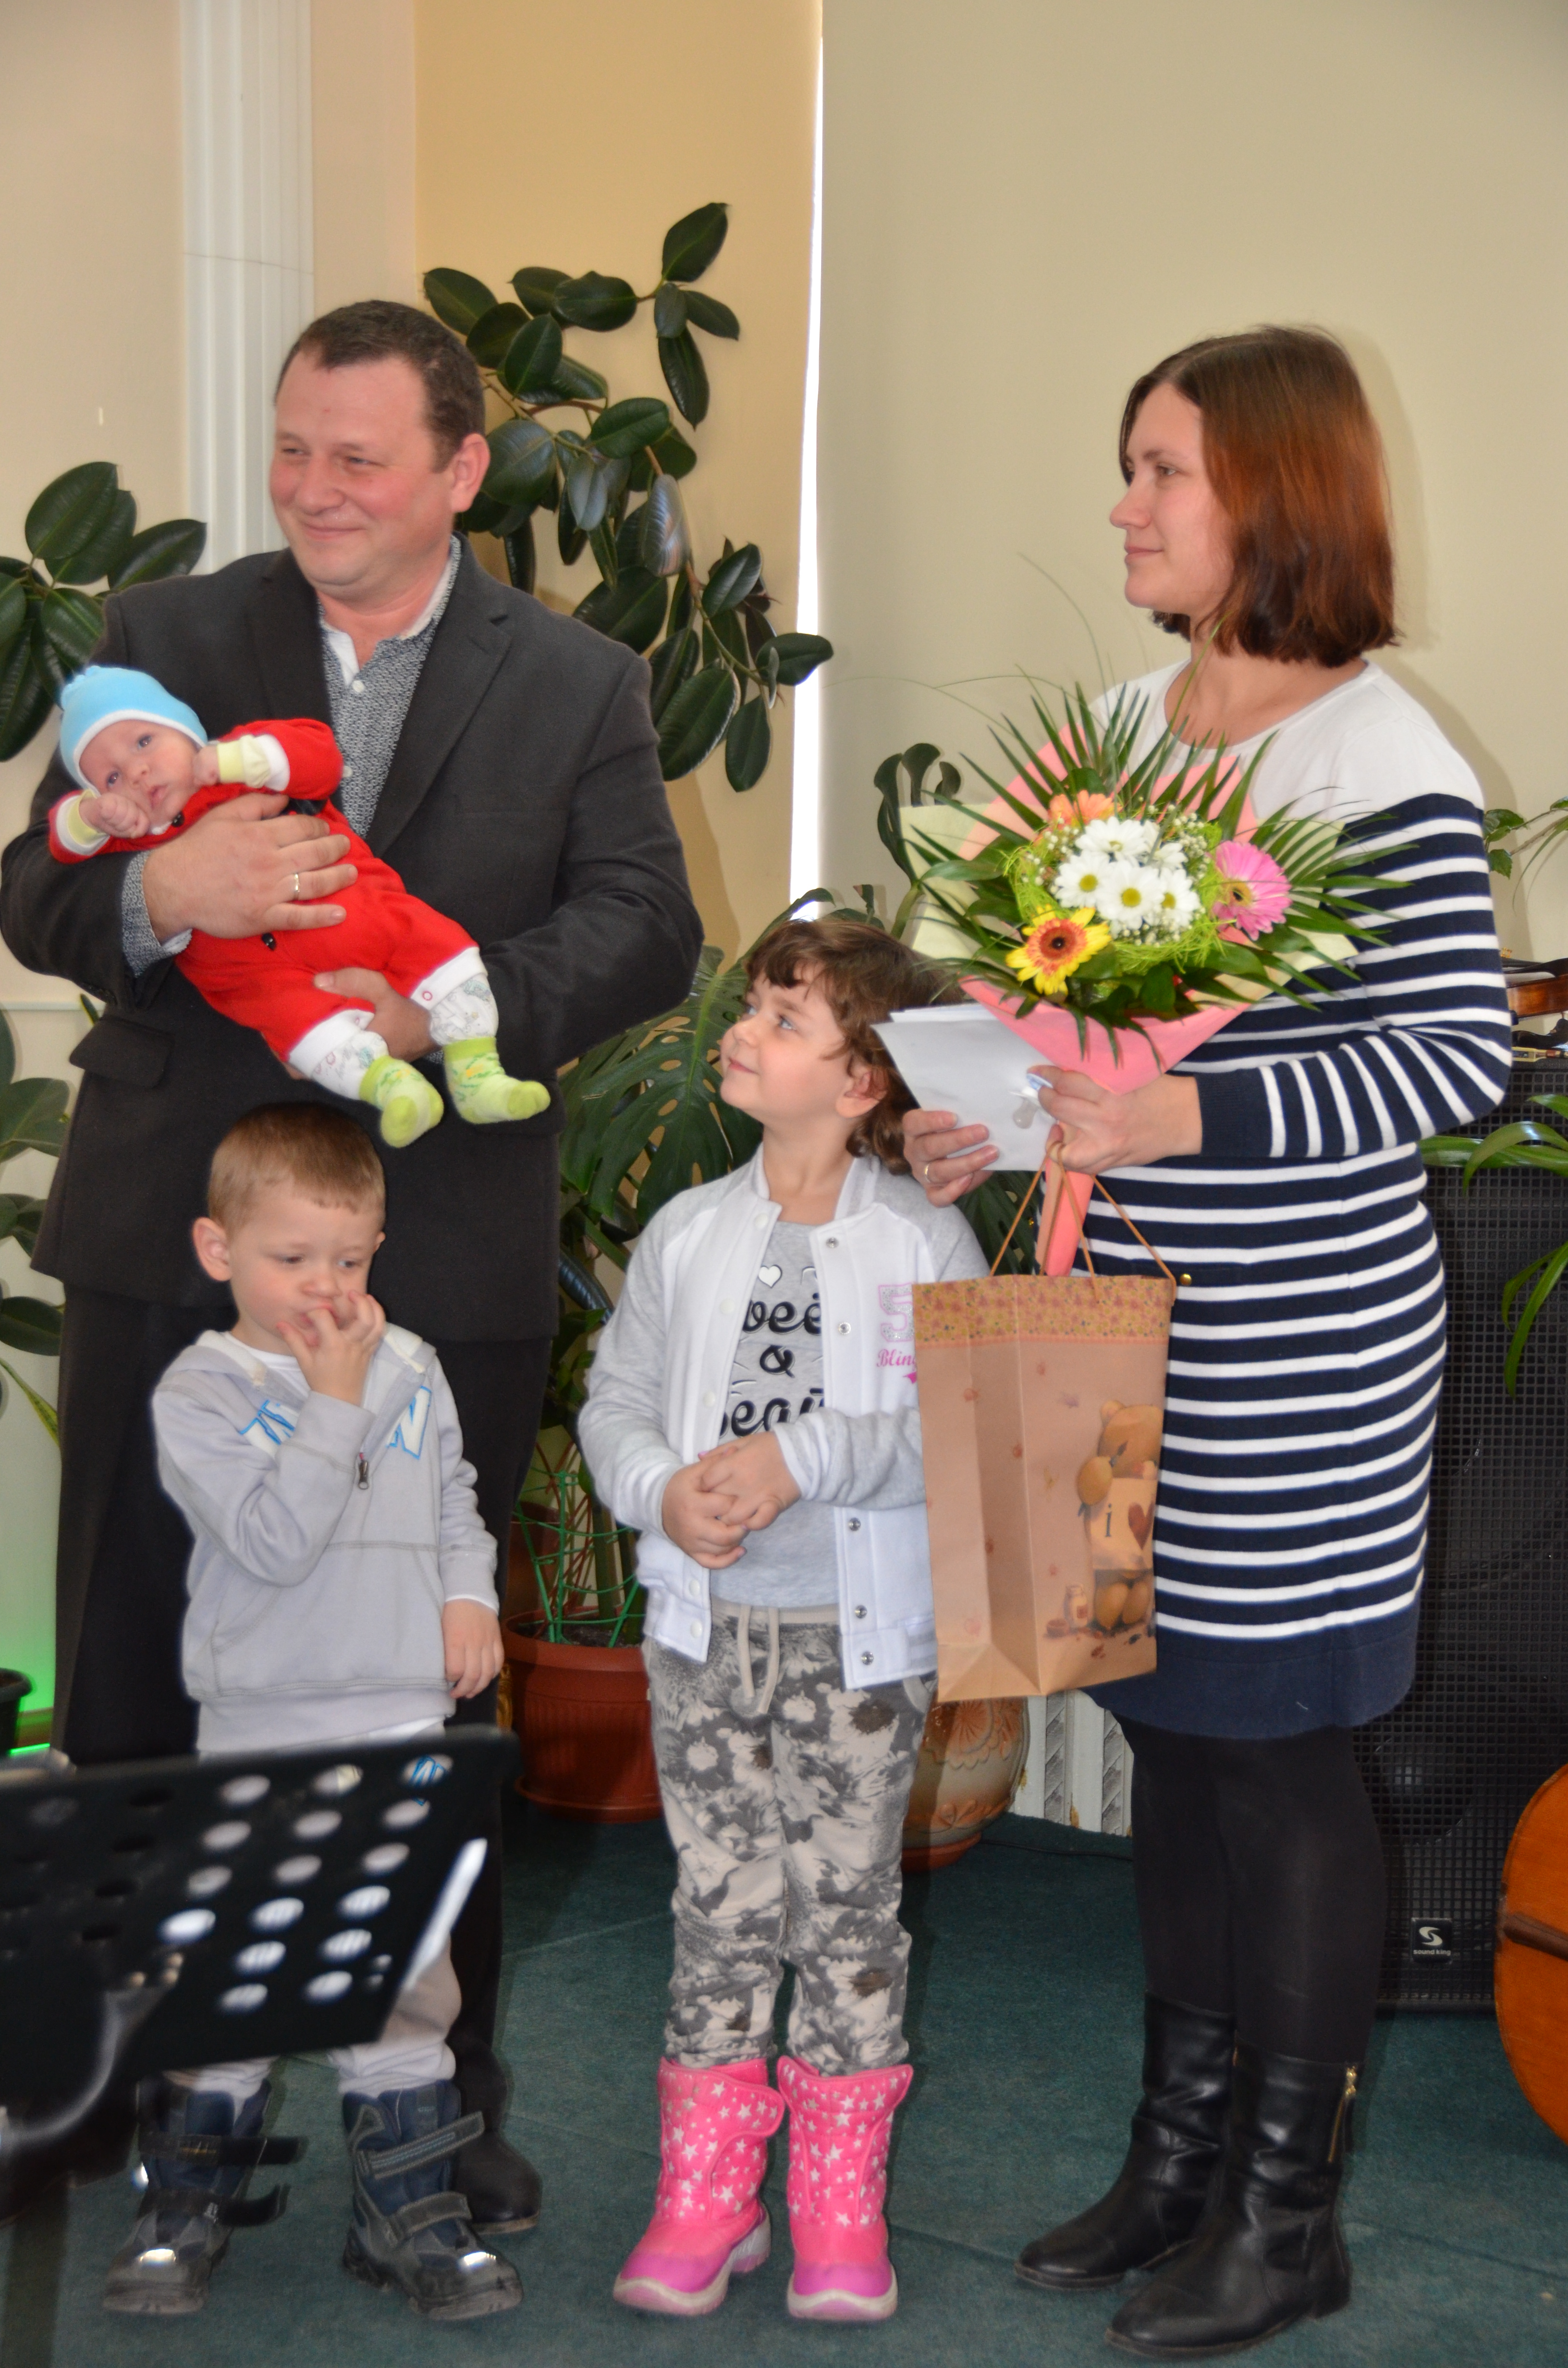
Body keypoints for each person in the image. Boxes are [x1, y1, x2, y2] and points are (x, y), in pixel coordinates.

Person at [0, 298, 703, 2231]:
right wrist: (161, 891)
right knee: (131, 1672)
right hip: (172, 1228)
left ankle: (437, 2101)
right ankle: (116, 2091)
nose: (313, 489)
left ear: (462, 469)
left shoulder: (577, 677)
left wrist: (445, 1006)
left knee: (424, 1696)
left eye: (360, 458)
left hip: (438, 1244)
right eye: (294, 448)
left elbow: (645, 922)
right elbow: (36, 879)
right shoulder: (165, 630)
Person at [905, 327, 1512, 2359]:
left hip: (1291, 1347)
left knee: (1274, 1756)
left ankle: (1282, 2214)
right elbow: (1052, 1023)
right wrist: (981, 1118)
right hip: (1088, 1306)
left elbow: (1448, 1061)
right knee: (1163, 1737)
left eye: (1160, 469)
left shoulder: (1382, 762)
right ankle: (1170, 2166)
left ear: (1275, 491)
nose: (1124, 506)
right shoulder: (1110, 731)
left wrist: (1189, 1114)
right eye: (1130, 467)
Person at [579, 917, 987, 2325]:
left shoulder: (922, 1238)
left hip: (852, 1644)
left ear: (862, 1079)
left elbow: (953, 1426)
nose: (740, 1033)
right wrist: (657, 1491)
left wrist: (802, 1456)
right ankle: (705, 2195)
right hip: (701, 1633)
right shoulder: (689, 1230)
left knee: (848, 1909)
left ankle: (835, 2203)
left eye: (781, 1018)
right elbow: (617, 1400)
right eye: (749, 1007)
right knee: (718, 1903)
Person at [106, 1104, 519, 2324]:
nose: (327, 1288)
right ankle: (184, 2208)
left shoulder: (412, 1363)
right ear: (218, 1249)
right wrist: (333, 1400)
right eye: (292, 1259)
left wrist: (466, 1594)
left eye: (349, 1258)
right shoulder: (202, 1389)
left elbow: (452, 1495)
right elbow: (274, 1542)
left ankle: (407, 2213)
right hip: (264, 1727)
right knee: (235, 1973)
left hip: (398, 1720)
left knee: (401, 1974)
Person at [49, 665, 549, 1142]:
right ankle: (393, 1089)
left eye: (144, 742)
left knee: (436, 947)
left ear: (185, 731)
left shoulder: (240, 765)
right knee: (301, 1027)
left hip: (357, 913)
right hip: (260, 980)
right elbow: (55, 851)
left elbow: (319, 757)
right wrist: (90, 816)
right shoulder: (130, 836)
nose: (137, 771)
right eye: (111, 778)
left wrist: (247, 758)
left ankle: (478, 1075)